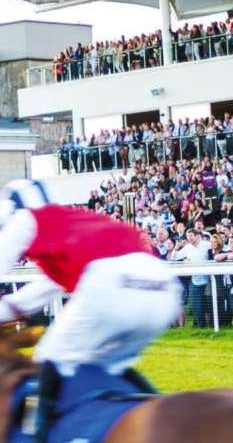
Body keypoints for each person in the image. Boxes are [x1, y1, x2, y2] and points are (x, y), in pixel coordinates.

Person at [0, 179, 180, 441]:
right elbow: (47, 288)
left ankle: (34, 434)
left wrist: (7, 311)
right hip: (163, 288)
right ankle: (160, 412)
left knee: (48, 357)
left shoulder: (25, 219)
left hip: (114, 281)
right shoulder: (72, 224)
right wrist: (9, 308)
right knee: (110, 366)